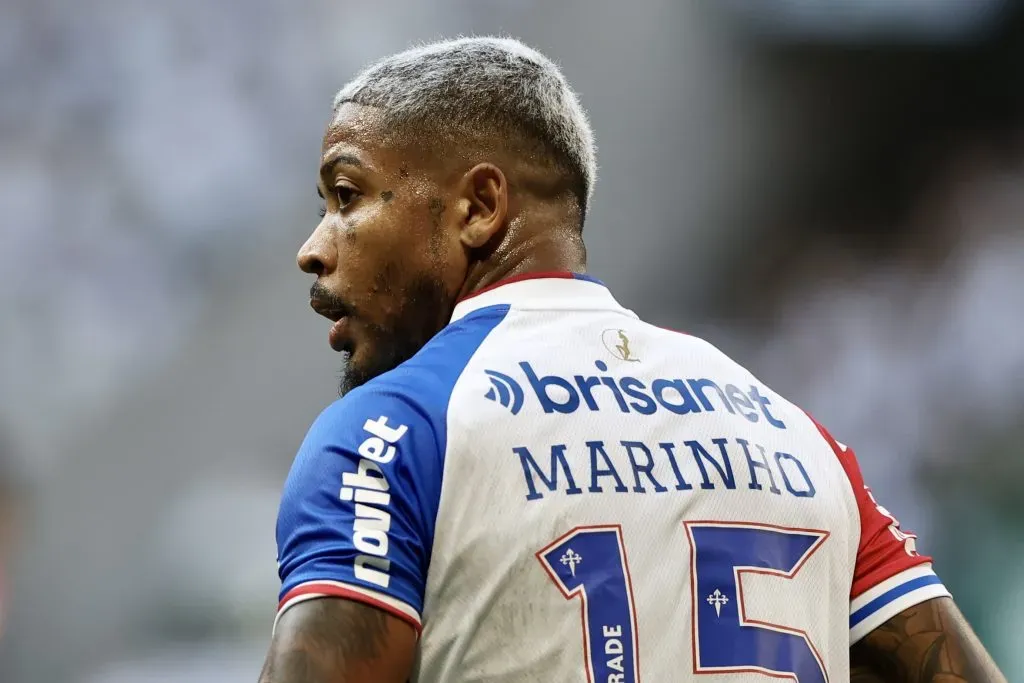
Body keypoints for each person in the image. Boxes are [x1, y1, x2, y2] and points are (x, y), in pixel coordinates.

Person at [259, 37, 1006, 683]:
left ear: (480, 207)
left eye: (347, 195)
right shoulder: (798, 437)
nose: (315, 246)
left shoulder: (390, 434)